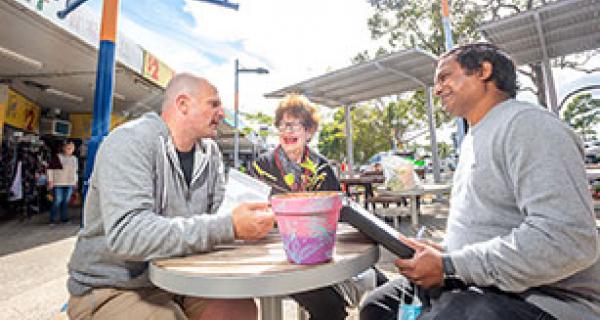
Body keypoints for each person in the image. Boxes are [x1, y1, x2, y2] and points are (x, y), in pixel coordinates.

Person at [360, 43, 599, 320]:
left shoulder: (528, 125)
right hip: (473, 280)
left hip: (542, 298)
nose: (437, 89)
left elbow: (568, 239)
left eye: (445, 76)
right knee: (378, 306)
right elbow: (491, 223)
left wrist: (451, 264)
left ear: (484, 71)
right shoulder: (474, 137)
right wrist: (445, 253)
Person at [66, 73, 275, 320]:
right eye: (214, 104)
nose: (222, 113)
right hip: (113, 287)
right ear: (183, 104)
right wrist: (230, 225)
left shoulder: (210, 152)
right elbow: (127, 235)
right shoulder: (129, 142)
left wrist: (259, 217)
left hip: (182, 278)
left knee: (238, 310)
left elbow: (220, 213)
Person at [249, 94, 387, 320]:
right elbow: (253, 210)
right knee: (329, 308)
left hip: (320, 249)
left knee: (385, 288)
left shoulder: (322, 167)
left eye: (296, 125)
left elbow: (339, 216)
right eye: (283, 125)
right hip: (279, 255)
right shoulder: (262, 166)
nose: (288, 131)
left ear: (309, 131)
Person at [47, 140, 78, 224]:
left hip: (69, 183)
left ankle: (64, 219)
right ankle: (53, 219)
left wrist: (75, 182)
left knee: (66, 201)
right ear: (64, 148)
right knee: (57, 201)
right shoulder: (57, 157)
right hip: (58, 183)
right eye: (68, 147)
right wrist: (50, 181)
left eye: (72, 148)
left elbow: (75, 171)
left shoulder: (74, 159)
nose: (70, 149)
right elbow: (50, 170)